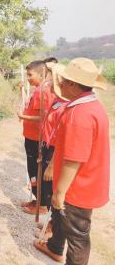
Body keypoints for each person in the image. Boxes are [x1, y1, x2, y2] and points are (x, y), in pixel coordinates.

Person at [34, 58, 110, 265]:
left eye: (65, 80)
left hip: (79, 187)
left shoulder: (80, 114)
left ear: (74, 85)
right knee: (69, 227)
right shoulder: (90, 106)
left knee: (77, 236)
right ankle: (55, 247)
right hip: (83, 183)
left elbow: (74, 158)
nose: (61, 84)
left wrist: (59, 192)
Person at [18, 60, 55, 215]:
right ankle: (36, 198)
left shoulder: (43, 91)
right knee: (32, 169)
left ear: (41, 74)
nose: (28, 77)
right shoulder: (38, 89)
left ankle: (42, 205)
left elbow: (44, 117)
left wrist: (23, 116)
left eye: (30, 74)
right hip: (31, 136)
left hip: (37, 138)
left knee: (37, 169)